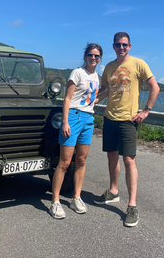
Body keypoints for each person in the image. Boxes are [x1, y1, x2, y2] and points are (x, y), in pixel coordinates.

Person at [95, 32, 160, 227]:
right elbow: (105, 90)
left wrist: (145, 111)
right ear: (113, 46)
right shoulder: (108, 67)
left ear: (130, 46)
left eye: (124, 45)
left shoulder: (139, 64)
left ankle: (132, 205)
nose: (121, 48)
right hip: (109, 118)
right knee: (111, 156)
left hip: (128, 120)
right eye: (118, 45)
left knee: (129, 160)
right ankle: (113, 191)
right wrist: (90, 101)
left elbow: (154, 87)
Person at [49, 43, 104, 219]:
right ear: (85, 56)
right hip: (73, 117)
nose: (93, 58)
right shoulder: (77, 73)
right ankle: (55, 201)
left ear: (100, 58)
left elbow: (93, 100)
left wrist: (109, 90)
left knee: (81, 160)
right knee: (65, 162)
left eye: (96, 56)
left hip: (88, 119)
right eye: (90, 55)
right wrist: (65, 122)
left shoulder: (97, 77)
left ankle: (76, 197)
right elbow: (67, 98)